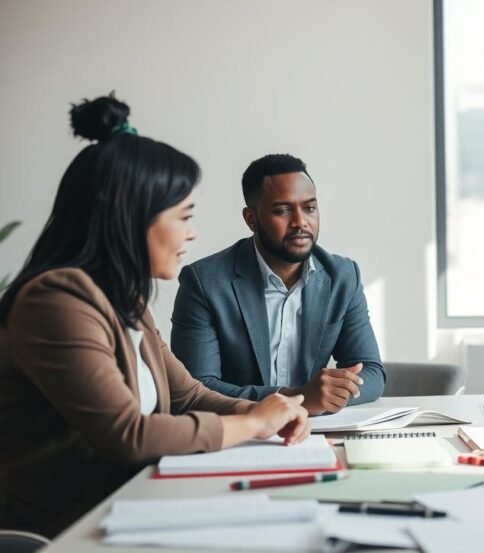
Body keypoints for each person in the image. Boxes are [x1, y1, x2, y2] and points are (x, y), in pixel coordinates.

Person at [0, 94, 311, 537]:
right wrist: (253, 424)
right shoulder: (54, 301)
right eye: (184, 216)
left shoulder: (122, 300)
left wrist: (260, 411)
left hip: (129, 508)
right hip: (65, 531)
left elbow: (187, 395)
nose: (193, 232)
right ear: (130, 217)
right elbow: (128, 434)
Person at [171, 154, 385, 413]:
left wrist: (331, 394)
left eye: (309, 208)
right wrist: (299, 397)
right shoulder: (205, 282)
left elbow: (371, 373)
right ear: (251, 219)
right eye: (282, 210)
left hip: (316, 431)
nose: (300, 222)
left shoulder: (342, 276)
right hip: (238, 435)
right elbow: (195, 388)